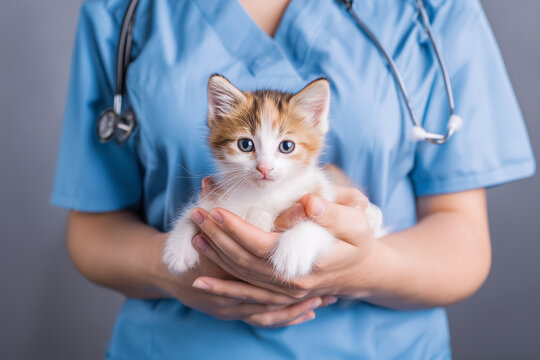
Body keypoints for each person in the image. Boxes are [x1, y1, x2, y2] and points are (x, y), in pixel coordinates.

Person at [51, 0, 535, 358]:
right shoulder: (122, 10)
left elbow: (464, 240)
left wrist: (364, 268)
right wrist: (176, 274)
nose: (264, 164)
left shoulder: (433, 11)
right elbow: (92, 229)